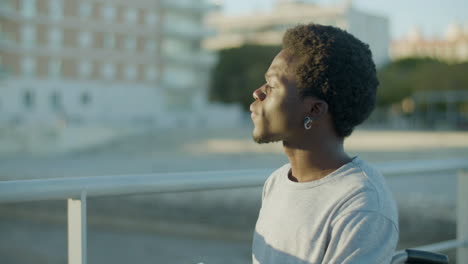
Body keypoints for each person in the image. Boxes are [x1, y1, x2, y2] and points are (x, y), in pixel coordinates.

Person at [250, 24, 399, 264]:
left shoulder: (362, 205)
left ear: (315, 110)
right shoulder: (277, 182)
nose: (258, 93)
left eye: (273, 85)